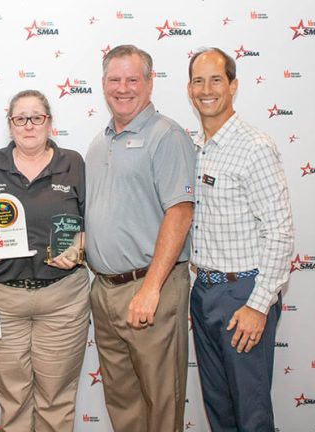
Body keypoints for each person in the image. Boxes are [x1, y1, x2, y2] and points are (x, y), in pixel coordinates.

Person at [0, 89, 90, 432]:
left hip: (62, 300)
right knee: (13, 399)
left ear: (49, 122)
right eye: (20, 118)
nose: (29, 125)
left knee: (56, 399)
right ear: (10, 125)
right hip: (1, 299)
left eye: (37, 117)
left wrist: (79, 247)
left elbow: (92, 223)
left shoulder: (73, 163)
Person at [85, 45, 196, 432]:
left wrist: (150, 289)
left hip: (151, 287)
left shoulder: (166, 136)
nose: (123, 88)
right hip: (104, 291)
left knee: (160, 402)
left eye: (133, 79)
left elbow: (180, 212)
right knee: (123, 402)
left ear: (150, 83)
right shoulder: (100, 142)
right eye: (115, 79)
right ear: (103, 84)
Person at [187, 47, 294, 431]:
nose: (206, 89)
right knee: (219, 408)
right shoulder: (195, 148)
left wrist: (258, 305)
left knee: (251, 414)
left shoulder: (255, 146)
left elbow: (280, 231)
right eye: (198, 80)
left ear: (233, 85)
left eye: (216, 79)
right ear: (189, 88)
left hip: (243, 295)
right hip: (203, 293)